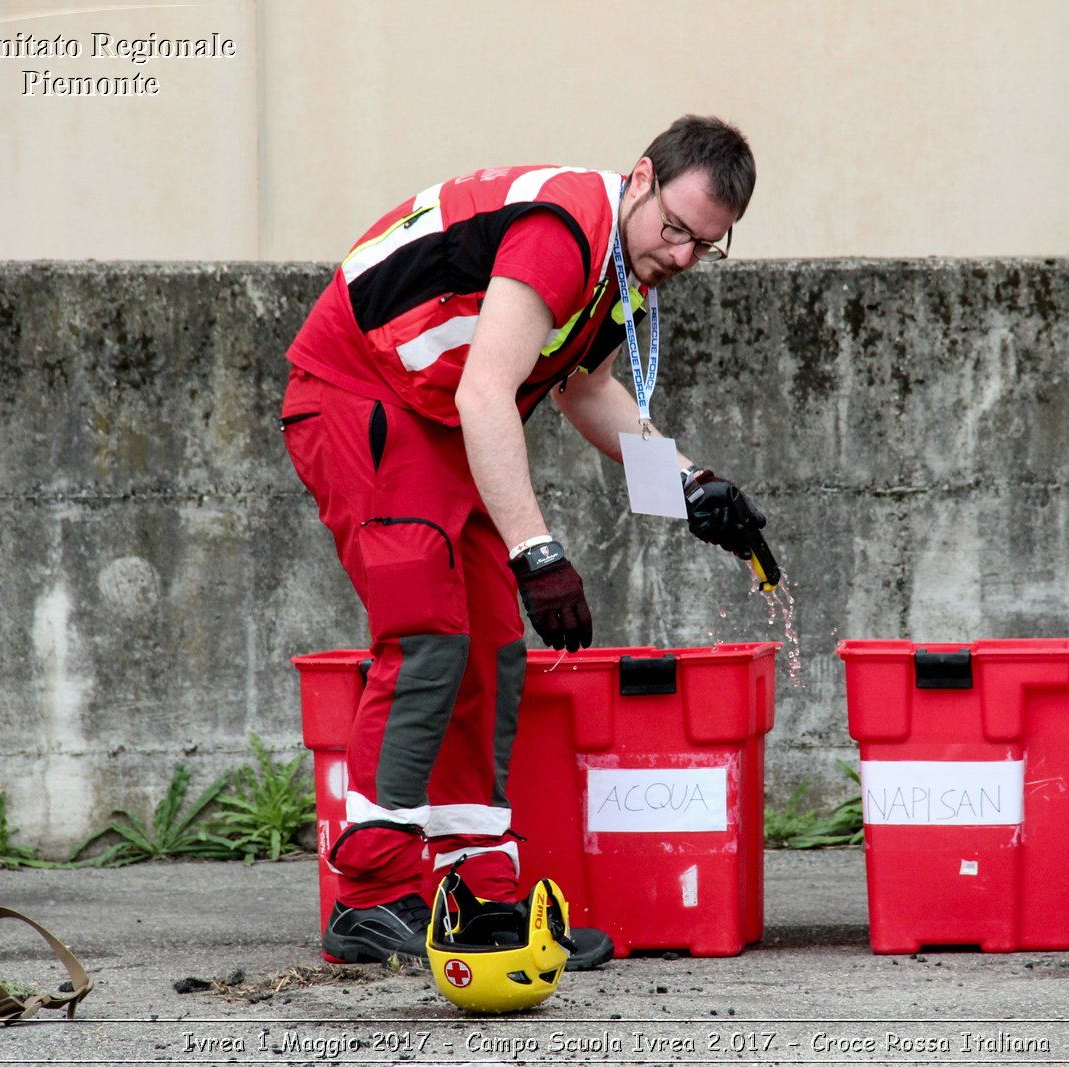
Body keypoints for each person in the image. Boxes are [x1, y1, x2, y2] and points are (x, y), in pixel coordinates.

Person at [280, 115, 771, 970]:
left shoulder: (625, 265)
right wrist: (537, 552)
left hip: (431, 413)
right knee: (429, 636)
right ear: (643, 177)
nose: (685, 256)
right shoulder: (561, 231)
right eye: (679, 230)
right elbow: (486, 394)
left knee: (493, 650)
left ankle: (478, 897)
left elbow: (587, 392)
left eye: (709, 246)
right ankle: (368, 897)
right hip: (361, 395)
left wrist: (690, 483)